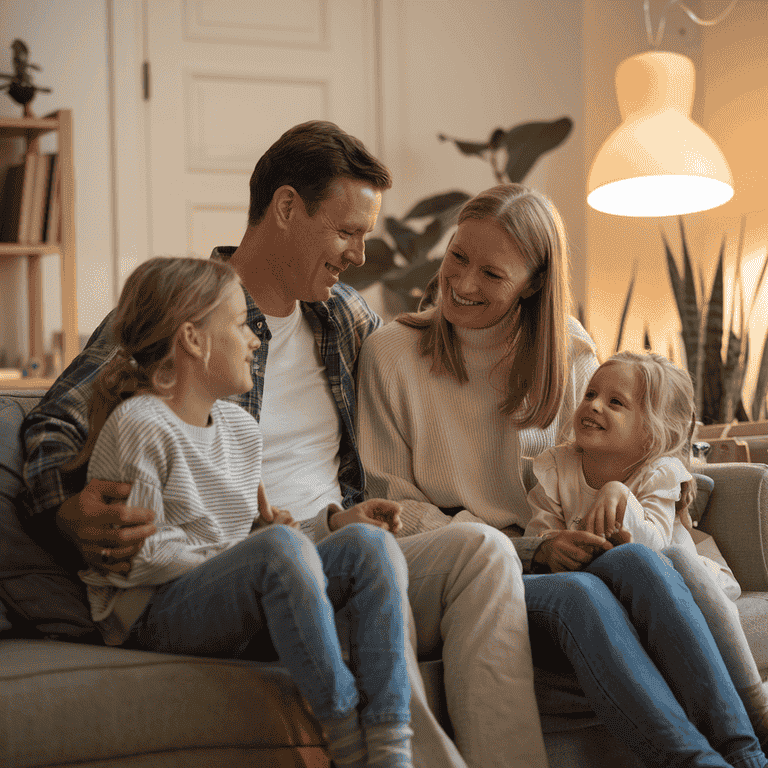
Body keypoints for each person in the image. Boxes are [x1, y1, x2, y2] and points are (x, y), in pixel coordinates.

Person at [22, 121, 546, 768]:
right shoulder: (184, 312)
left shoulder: (347, 319)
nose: (360, 254)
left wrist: (547, 319)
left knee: (480, 552)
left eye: (366, 236)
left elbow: (458, 342)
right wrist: (65, 511)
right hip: (237, 569)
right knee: (313, 564)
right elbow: (53, 421)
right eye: (347, 231)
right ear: (287, 207)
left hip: (332, 543)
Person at [357, 182, 768, 768]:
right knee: (578, 591)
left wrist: (617, 502)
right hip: (479, 565)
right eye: (457, 257)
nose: (464, 282)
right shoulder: (391, 354)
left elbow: (608, 461)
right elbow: (393, 503)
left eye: (493, 274)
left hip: (573, 549)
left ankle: (746, 753)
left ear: (534, 285)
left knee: (637, 562)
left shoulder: (568, 351)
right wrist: (530, 547)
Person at [65, 255, 413, 768]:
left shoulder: (240, 430)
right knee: (277, 549)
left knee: (371, 545)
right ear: (192, 340)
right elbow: (137, 558)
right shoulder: (140, 424)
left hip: (225, 605)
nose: (255, 338)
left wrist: (273, 533)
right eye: (239, 324)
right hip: (152, 613)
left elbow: (242, 533)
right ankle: (345, 736)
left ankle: (389, 746)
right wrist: (253, 553)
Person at [525, 350, 768, 748]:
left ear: (651, 433)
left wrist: (619, 493)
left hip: (681, 584)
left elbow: (652, 548)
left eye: (615, 402)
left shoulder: (657, 471)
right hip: (608, 592)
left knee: (677, 558)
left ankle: (754, 701)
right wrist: (554, 546)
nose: (593, 405)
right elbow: (542, 537)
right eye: (590, 394)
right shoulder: (556, 467)